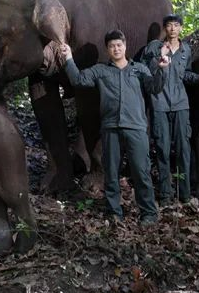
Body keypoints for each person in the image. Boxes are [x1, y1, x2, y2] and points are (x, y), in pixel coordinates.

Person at [61, 31, 169, 225]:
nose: (116, 49)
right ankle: (114, 213)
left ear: (125, 46)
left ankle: (148, 213)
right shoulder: (101, 70)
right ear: (107, 49)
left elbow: (155, 88)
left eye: (119, 45)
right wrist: (68, 58)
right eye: (112, 46)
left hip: (136, 128)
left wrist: (162, 69)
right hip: (111, 128)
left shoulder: (140, 69)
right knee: (111, 173)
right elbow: (78, 80)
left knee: (141, 172)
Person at [141, 14, 199, 205]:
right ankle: (166, 193)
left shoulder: (186, 50)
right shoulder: (154, 48)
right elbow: (145, 72)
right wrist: (159, 57)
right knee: (162, 148)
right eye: (169, 26)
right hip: (159, 103)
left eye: (176, 25)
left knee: (184, 149)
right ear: (164, 29)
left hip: (180, 104)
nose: (172, 29)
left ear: (180, 29)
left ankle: (184, 193)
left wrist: (198, 78)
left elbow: (184, 74)